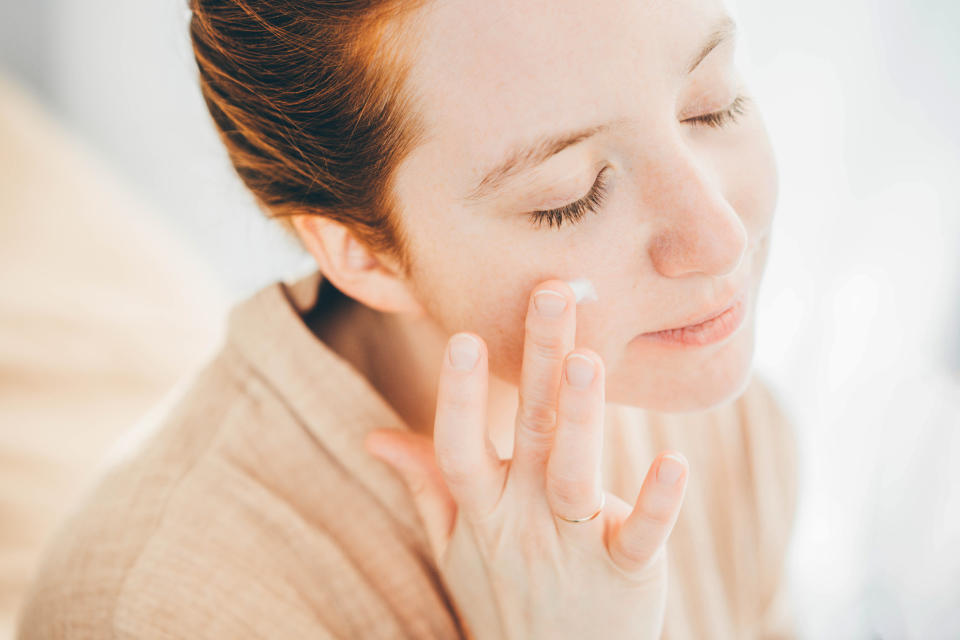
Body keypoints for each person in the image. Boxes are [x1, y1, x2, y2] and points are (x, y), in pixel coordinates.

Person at [17, 0, 798, 637]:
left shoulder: (702, 407)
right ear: (361, 253)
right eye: (572, 197)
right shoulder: (154, 611)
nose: (719, 237)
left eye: (712, 104)